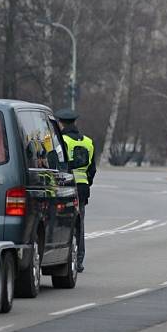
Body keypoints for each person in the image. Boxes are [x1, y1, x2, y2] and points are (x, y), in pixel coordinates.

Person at [55, 108, 96, 273]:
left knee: (64, 224)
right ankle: (79, 260)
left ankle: (63, 258)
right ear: (75, 122)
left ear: (60, 123)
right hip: (83, 186)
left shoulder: (62, 141)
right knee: (80, 224)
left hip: (66, 186)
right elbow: (92, 169)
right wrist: (86, 182)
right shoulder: (88, 142)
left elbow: (57, 164)